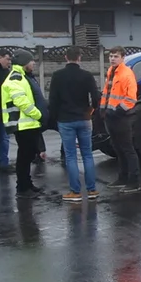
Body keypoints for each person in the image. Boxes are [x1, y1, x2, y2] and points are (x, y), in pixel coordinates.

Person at [49, 46, 102, 202]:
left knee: (71, 156)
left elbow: (53, 100)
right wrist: (91, 110)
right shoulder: (87, 76)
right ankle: (92, 190)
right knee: (87, 154)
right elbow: (96, 97)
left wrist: (54, 117)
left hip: (66, 119)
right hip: (84, 118)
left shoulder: (57, 76)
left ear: (66, 57)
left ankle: (75, 192)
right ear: (80, 58)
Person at [1, 49, 47, 199]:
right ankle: (22, 188)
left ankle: (27, 184)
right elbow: (22, 102)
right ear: (24, 63)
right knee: (24, 157)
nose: (33, 63)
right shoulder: (16, 78)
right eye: (31, 61)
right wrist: (38, 114)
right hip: (23, 125)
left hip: (28, 124)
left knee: (27, 156)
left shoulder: (22, 76)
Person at [100, 46, 141, 194]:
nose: (112, 58)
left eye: (116, 56)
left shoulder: (126, 74)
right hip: (111, 116)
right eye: (111, 56)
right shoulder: (111, 72)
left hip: (122, 117)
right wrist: (102, 108)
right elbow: (107, 92)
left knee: (127, 149)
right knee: (118, 148)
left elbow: (131, 98)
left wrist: (118, 111)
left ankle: (134, 181)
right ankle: (122, 178)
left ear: (122, 58)